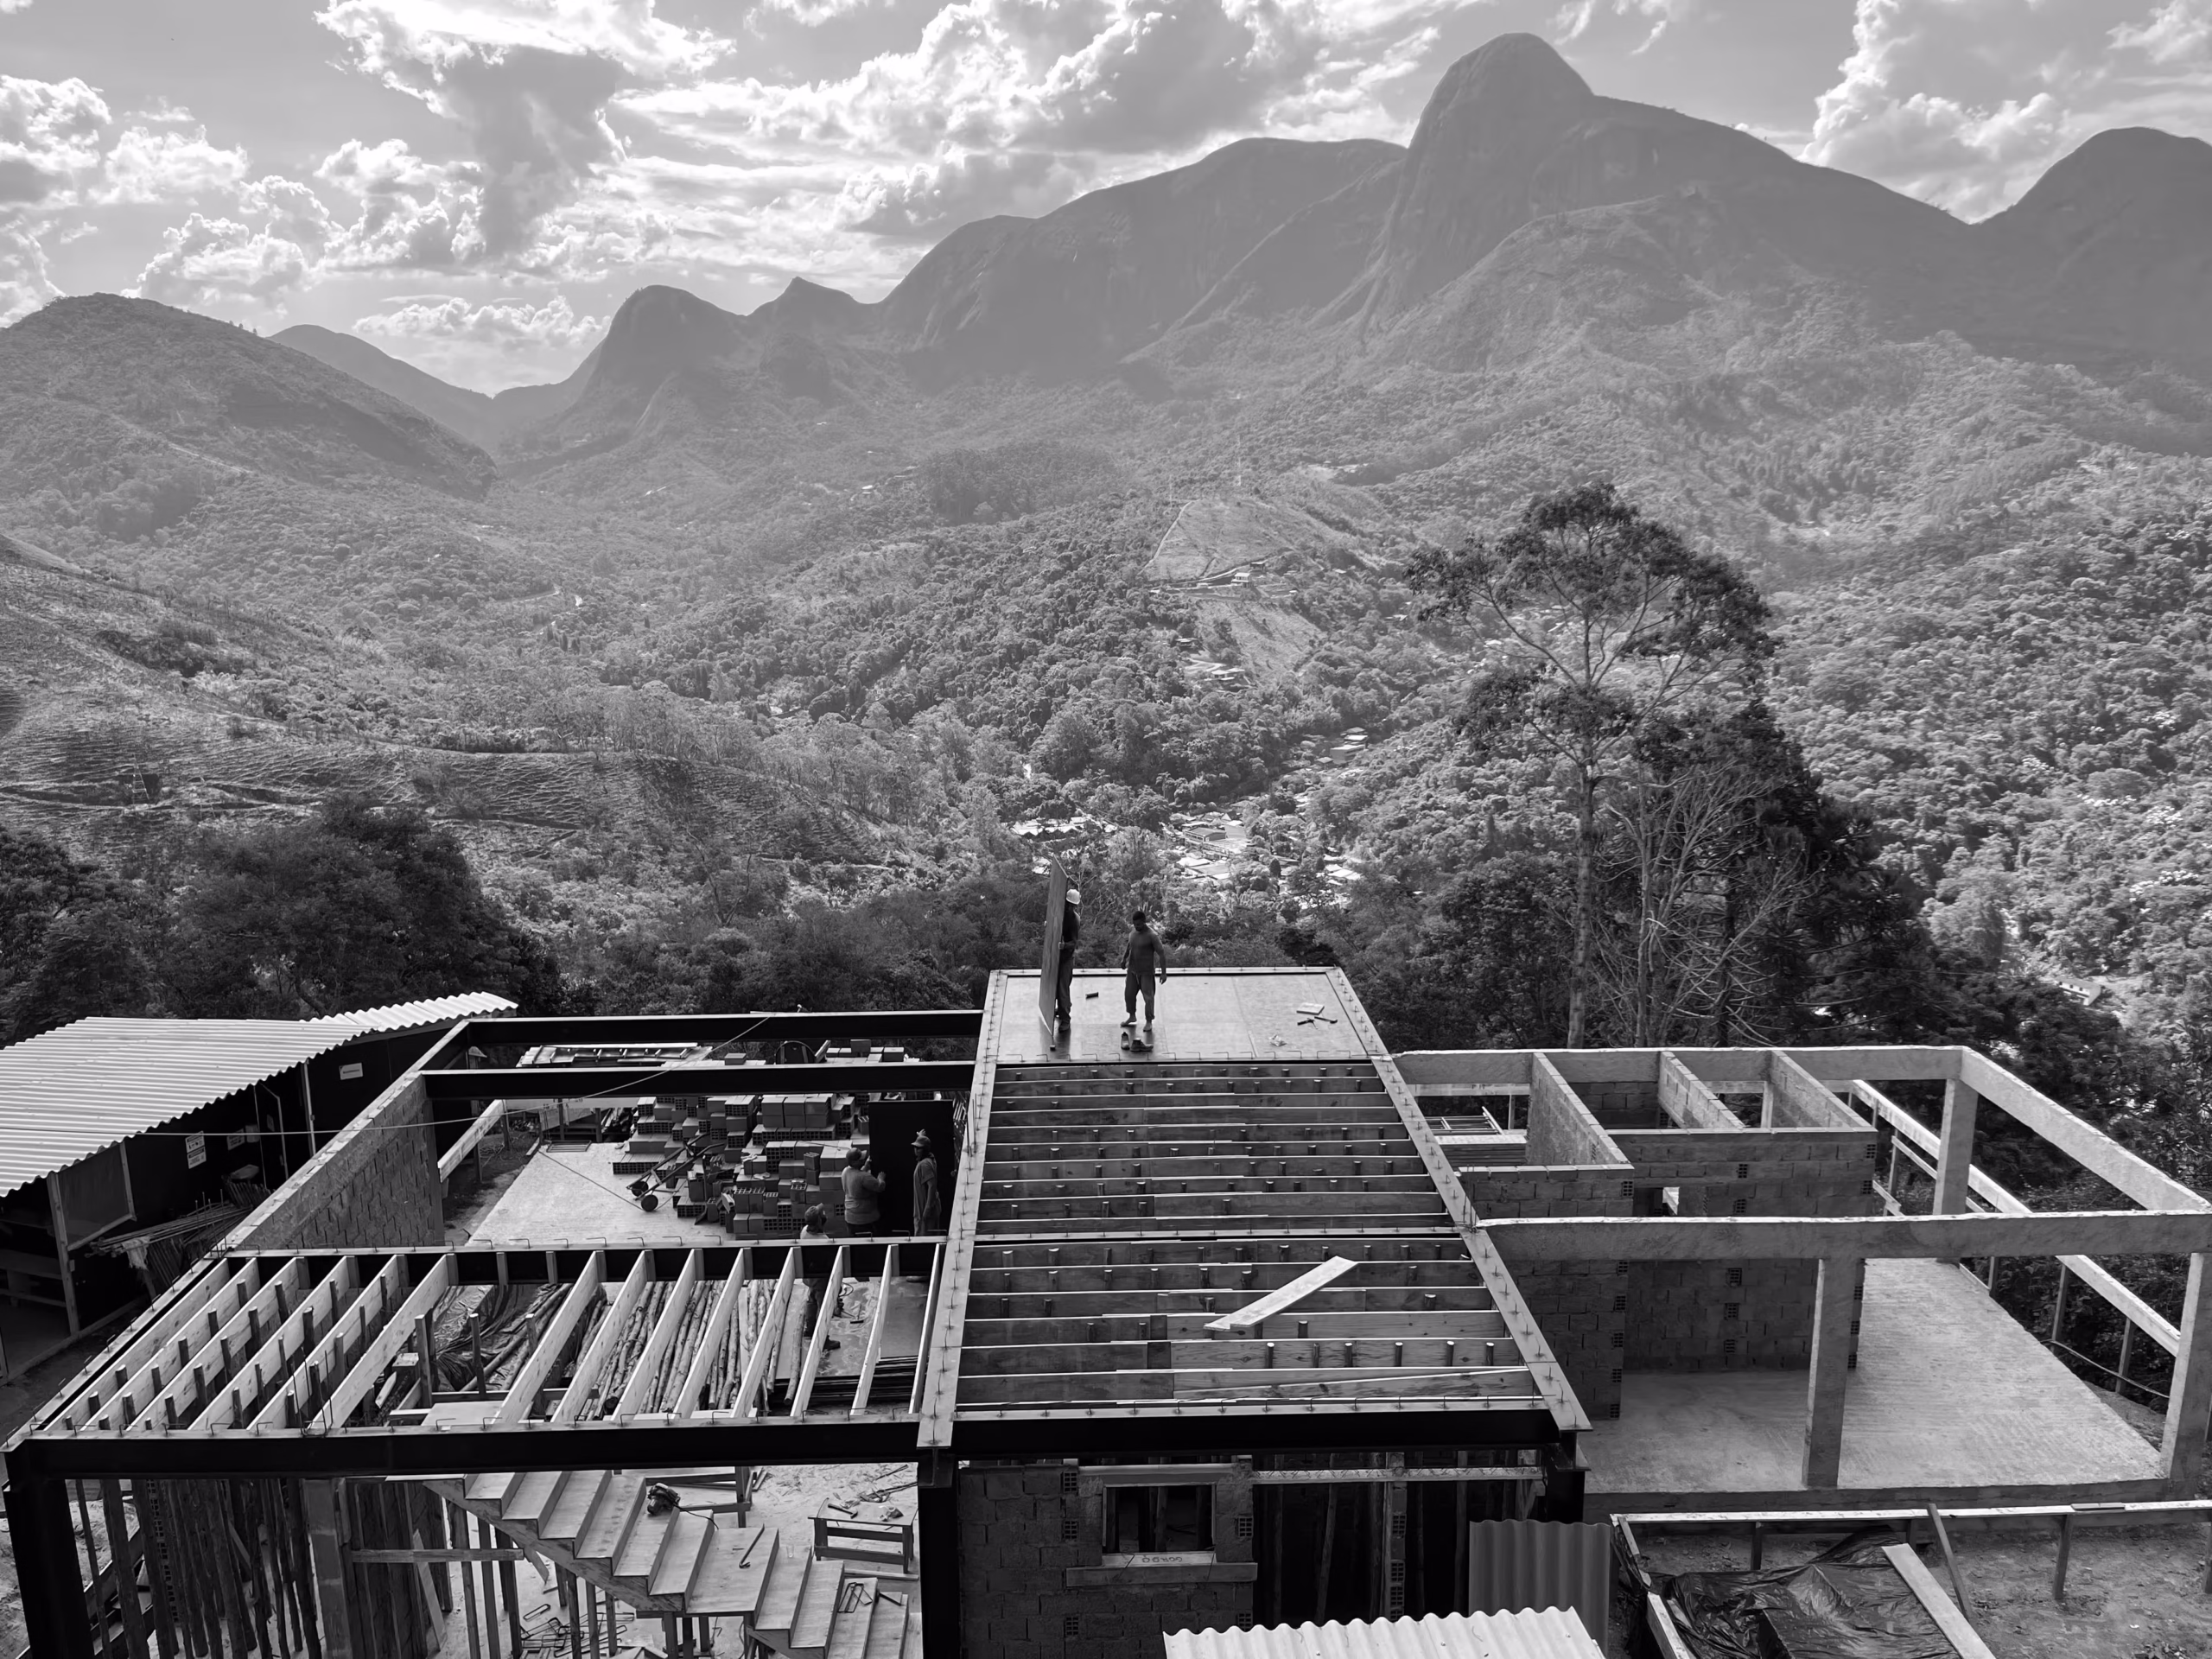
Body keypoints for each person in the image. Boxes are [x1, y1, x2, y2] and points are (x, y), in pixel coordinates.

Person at [1122, 909, 1167, 1038]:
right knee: (1129, 995)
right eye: (1135, 924)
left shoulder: (1152, 935)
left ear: (1144, 922)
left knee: (1148, 998)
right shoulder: (1133, 932)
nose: (1136, 926)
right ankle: (1132, 1016)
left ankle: (1149, 1021)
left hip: (1146, 972)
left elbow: (1161, 953)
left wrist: (1164, 973)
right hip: (1132, 970)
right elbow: (1129, 946)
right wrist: (1124, 959)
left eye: (1139, 924)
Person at [1053, 884, 1083, 1032]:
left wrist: (1064, 946)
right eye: (1068, 904)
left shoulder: (1074, 920)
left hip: (1067, 958)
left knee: (1063, 988)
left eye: (1072, 906)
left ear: (1075, 906)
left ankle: (1065, 1019)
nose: (1069, 908)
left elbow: (1074, 943)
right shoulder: (1060, 913)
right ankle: (1063, 1008)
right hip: (1056, 957)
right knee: (1055, 986)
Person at [842, 1147, 886, 1236]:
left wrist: (865, 1166)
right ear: (854, 1162)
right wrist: (881, 1179)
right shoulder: (864, 1177)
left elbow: (856, 1176)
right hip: (865, 1218)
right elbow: (880, 1187)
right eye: (860, 1159)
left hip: (849, 1217)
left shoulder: (845, 1171)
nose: (863, 1159)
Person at [912, 1131, 943, 1234]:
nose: (916, 1150)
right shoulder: (928, 1159)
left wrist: (927, 1208)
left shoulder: (925, 1164)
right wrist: (920, 1137)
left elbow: (932, 1186)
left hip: (925, 1211)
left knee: (924, 1238)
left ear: (924, 1150)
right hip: (925, 1210)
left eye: (919, 1148)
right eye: (915, 1147)